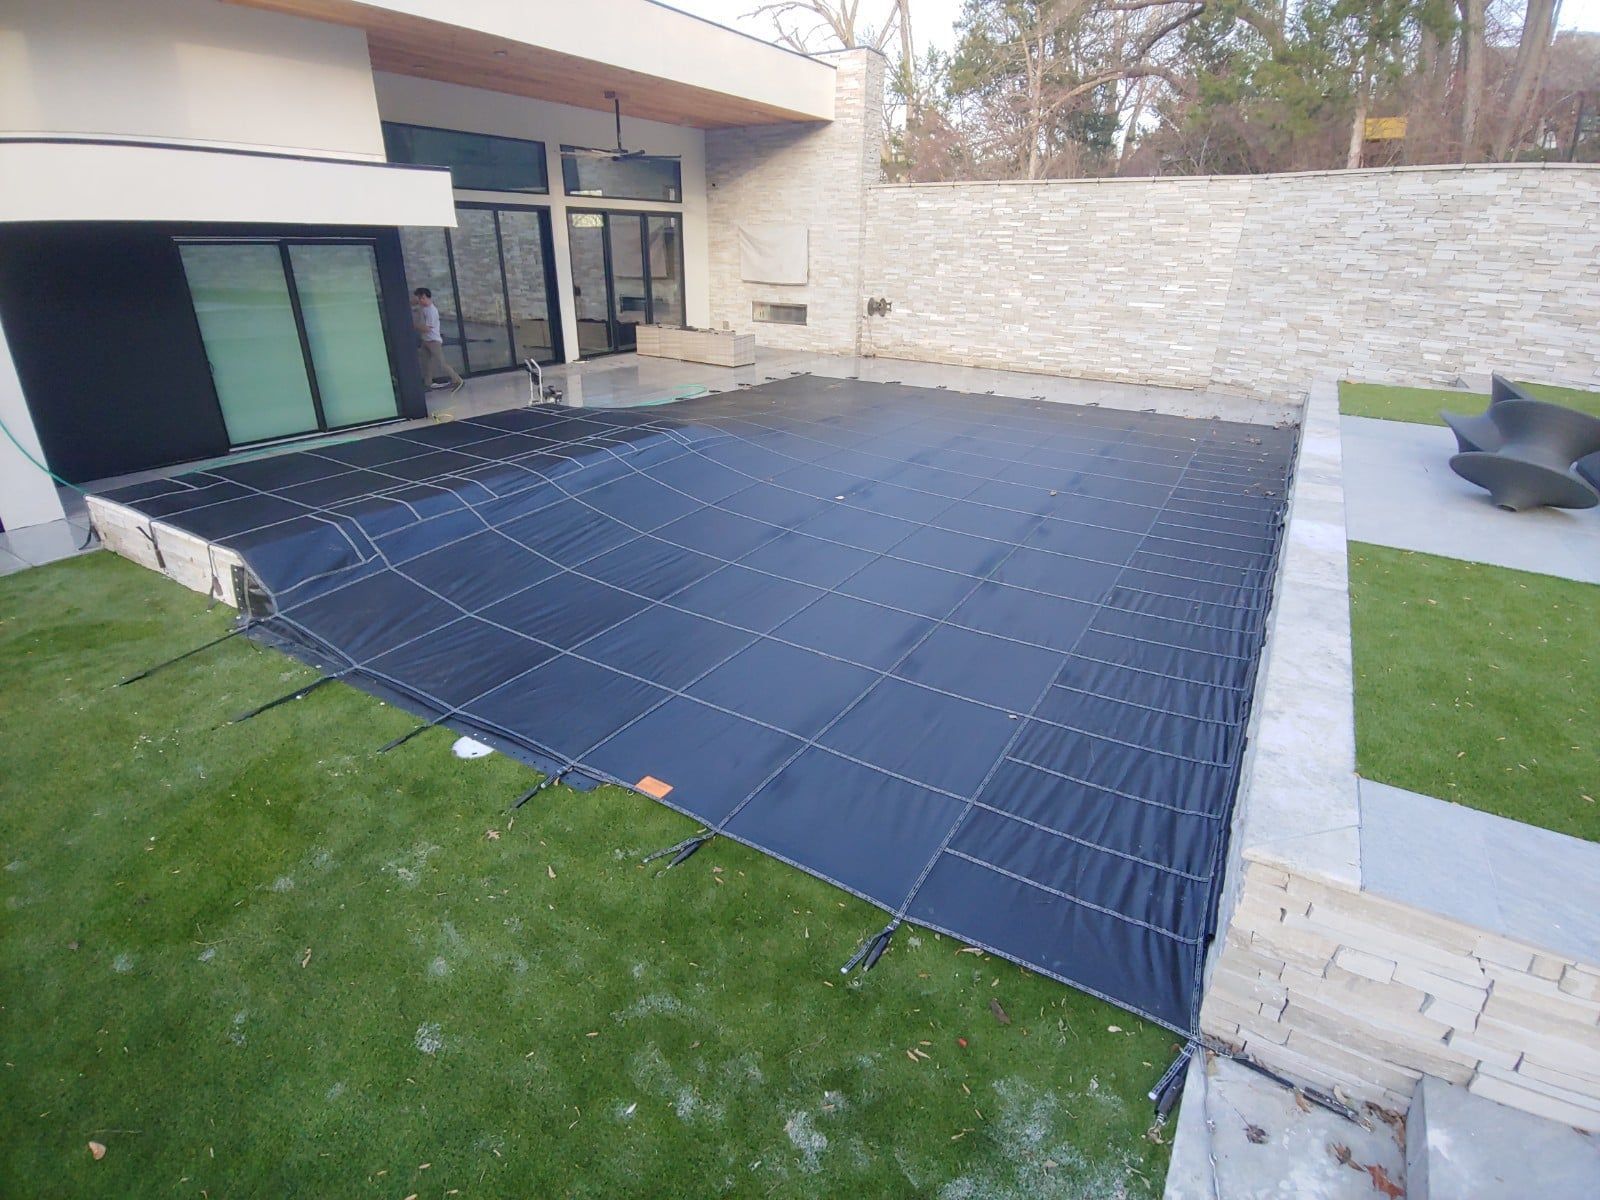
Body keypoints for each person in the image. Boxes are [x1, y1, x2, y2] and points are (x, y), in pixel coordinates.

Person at [412, 288, 464, 392]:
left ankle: (458, 380)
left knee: (441, 362)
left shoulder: (432, 311)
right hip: (425, 341)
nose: (420, 301)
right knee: (426, 363)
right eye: (418, 298)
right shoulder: (423, 307)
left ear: (426, 297)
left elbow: (427, 329)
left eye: (421, 298)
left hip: (433, 341)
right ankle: (428, 383)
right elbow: (413, 304)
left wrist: (414, 326)